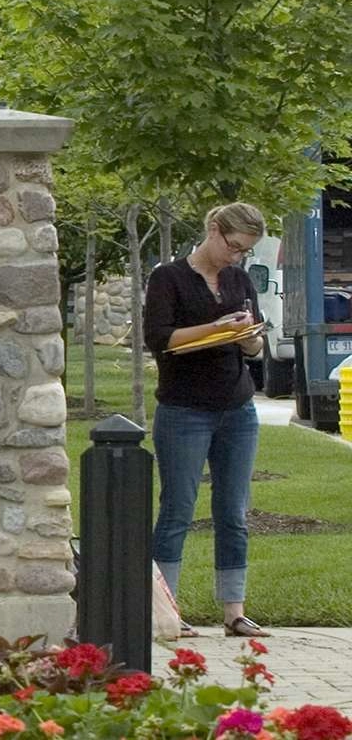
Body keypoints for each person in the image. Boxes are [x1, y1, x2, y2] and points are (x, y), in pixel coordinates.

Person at [143, 201, 270, 638]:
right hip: (184, 409)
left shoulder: (239, 279)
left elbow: (254, 345)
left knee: (233, 511)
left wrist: (248, 338)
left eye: (245, 251)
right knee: (177, 509)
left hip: (237, 408)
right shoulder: (168, 278)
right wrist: (217, 328)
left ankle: (234, 611)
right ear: (214, 230)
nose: (237, 256)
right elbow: (160, 339)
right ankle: (166, 611)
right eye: (234, 246)